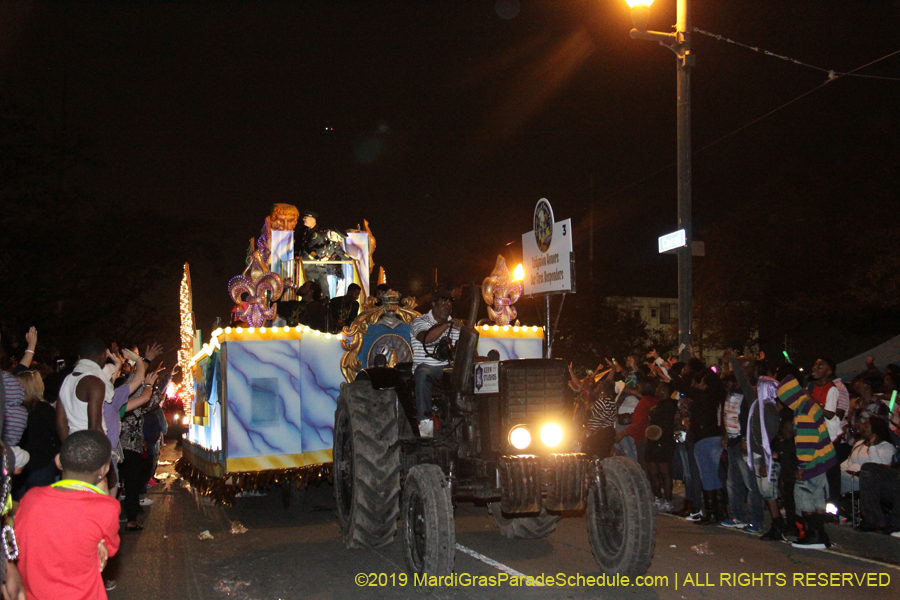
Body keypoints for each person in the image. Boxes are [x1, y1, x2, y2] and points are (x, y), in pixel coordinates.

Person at [15, 430, 121, 600]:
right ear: (105, 469)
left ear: (58, 461)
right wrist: (103, 494)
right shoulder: (107, 508)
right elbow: (110, 549)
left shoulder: (30, 498)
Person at [778, 374, 838, 549]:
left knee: (803, 495)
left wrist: (802, 466)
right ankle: (821, 535)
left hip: (812, 461)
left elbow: (806, 441)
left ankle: (814, 535)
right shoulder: (810, 404)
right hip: (823, 458)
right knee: (817, 497)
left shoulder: (802, 411)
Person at [409, 290, 461, 438]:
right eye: (443, 302)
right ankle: (425, 425)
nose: (447, 305)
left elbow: (464, 348)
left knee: (467, 374)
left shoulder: (456, 325)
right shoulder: (420, 322)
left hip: (448, 368)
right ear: (433, 304)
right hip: (427, 366)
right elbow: (426, 338)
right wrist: (446, 325)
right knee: (423, 373)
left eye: (450, 302)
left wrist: (465, 330)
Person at [839, 416, 894, 495]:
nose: (861, 427)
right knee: (830, 474)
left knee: (836, 478)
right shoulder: (859, 443)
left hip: (865, 483)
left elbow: (878, 469)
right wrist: (836, 470)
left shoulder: (887, 447)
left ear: (875, 430)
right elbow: (848, 462)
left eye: (866, 426)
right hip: (848, 477)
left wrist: (872, 446)